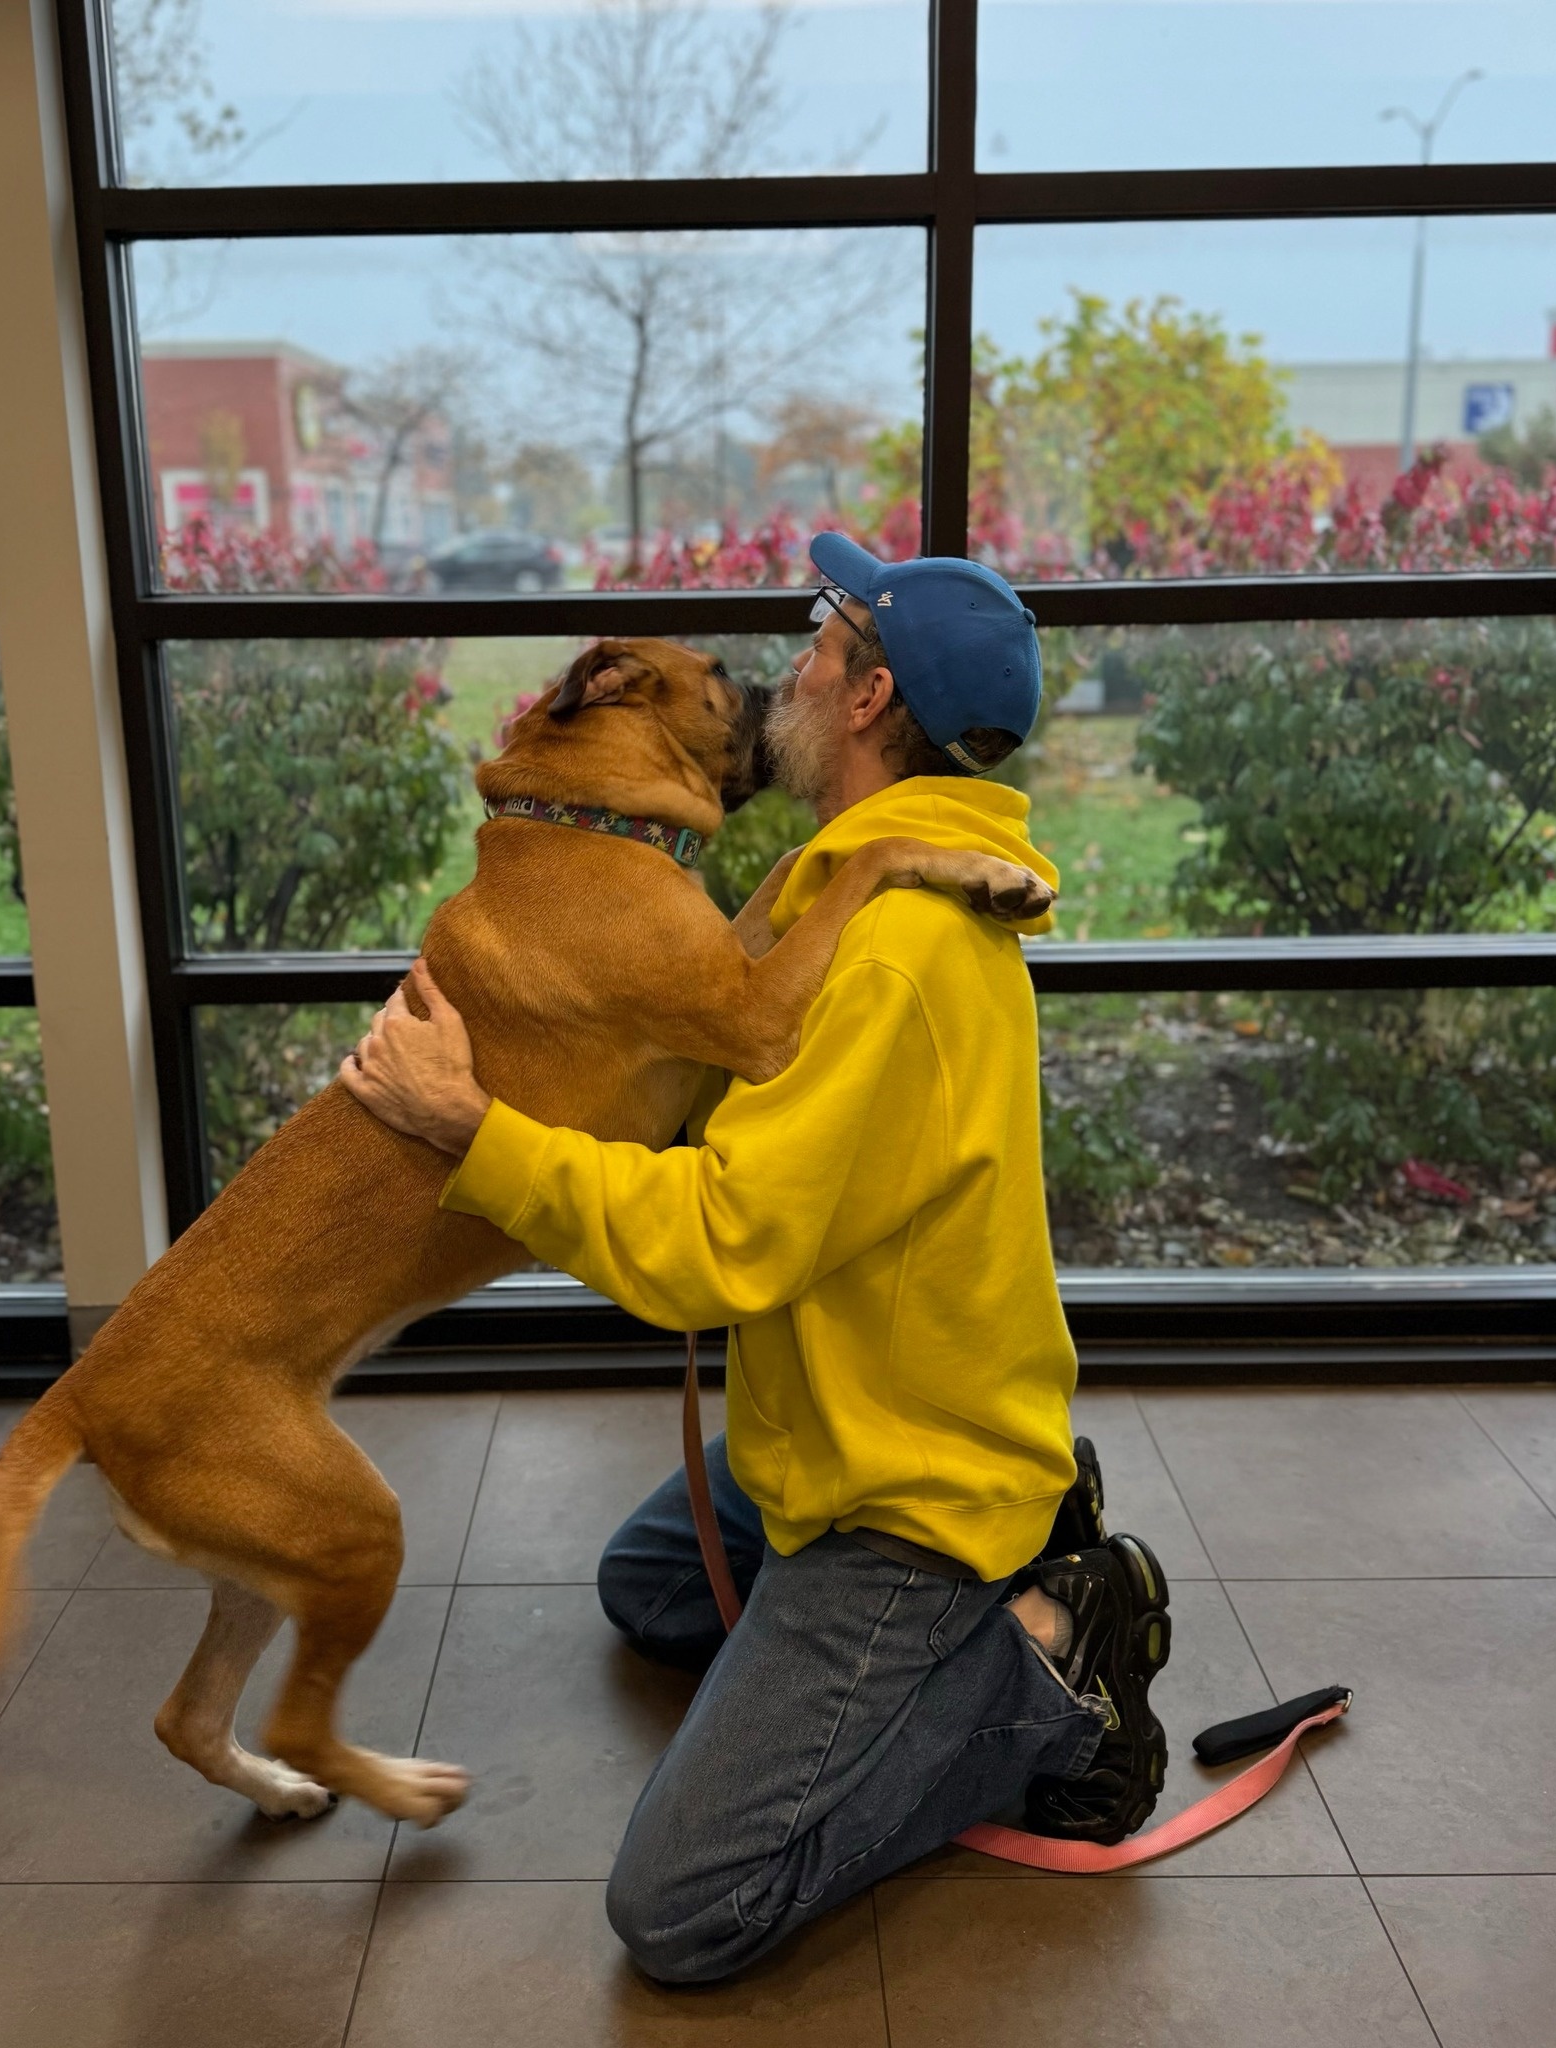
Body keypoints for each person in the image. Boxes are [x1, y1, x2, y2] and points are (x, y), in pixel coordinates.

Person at [341, 533, 1171, 1984]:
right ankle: (1013, 1541)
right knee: (650, 1590)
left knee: (678, 1910)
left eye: (818, 639)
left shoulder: (898, 950)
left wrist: (473, 1135)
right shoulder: (828, 881)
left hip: (903, 1486)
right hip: (824, 1427)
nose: (788, 665)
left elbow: (720, 1246)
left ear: (865, 699)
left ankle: (1049, 1649)